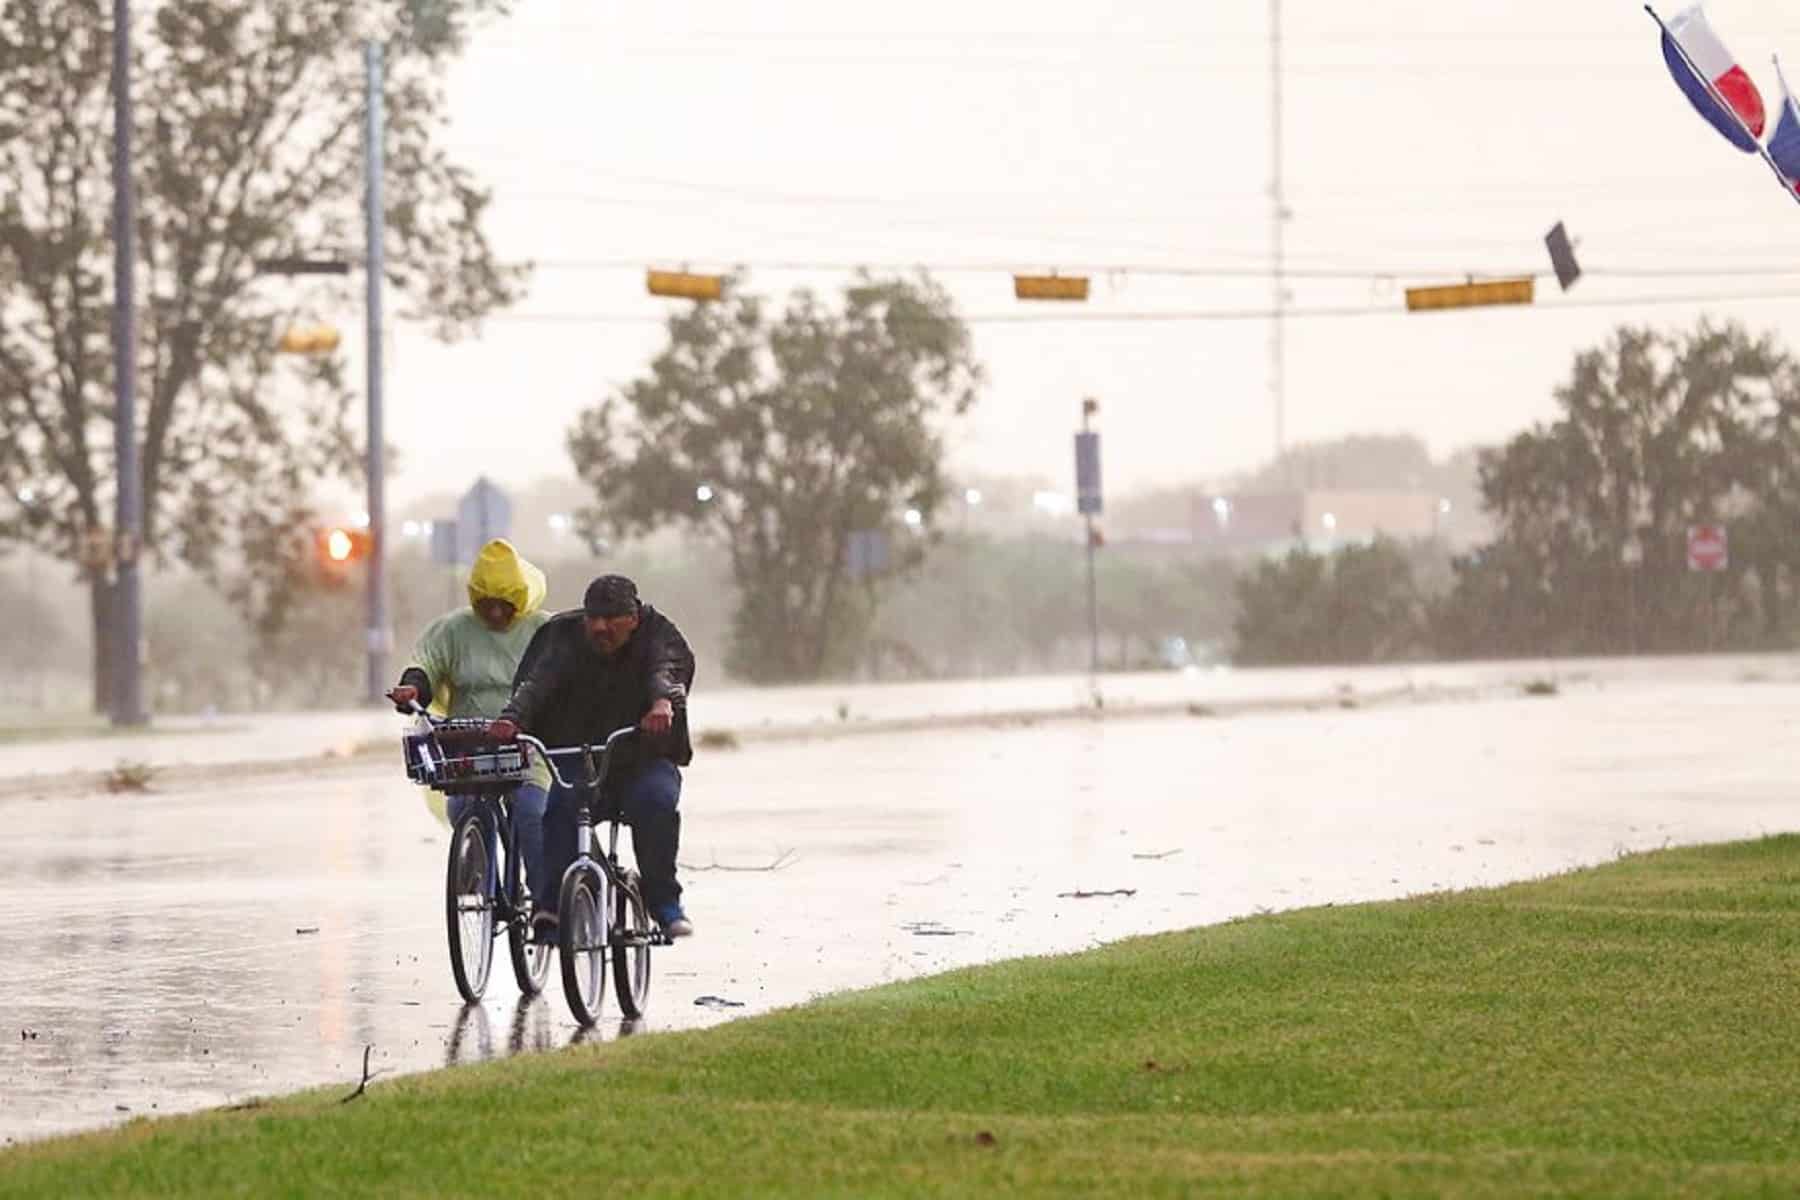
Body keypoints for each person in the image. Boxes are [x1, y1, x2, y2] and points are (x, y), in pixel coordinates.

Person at [487, 574, 696, 939]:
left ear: (633, 619)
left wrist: (662, 703)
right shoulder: (563, 636)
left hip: (643, 757)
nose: (600, 627)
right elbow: (537, 683)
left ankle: (664, 902)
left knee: (657, 803)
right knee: (559, 809)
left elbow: (667, 671)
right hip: (580, 757)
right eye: (593, 618)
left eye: (611, 619)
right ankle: (550, 905)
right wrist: (512, 718)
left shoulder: (658, 633)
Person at [387, 539, 554, 915]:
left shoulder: (543, 630)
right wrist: (414, 686)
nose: (494, 613)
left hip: (530, 743)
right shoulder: (453, 630)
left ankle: (545, 898)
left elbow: (564, 674)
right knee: (464, 804)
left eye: (504, 606)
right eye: (486, 605)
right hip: (472, 743)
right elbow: (427, 663)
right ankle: (485, 882)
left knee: (531, 811)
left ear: (520, 600)